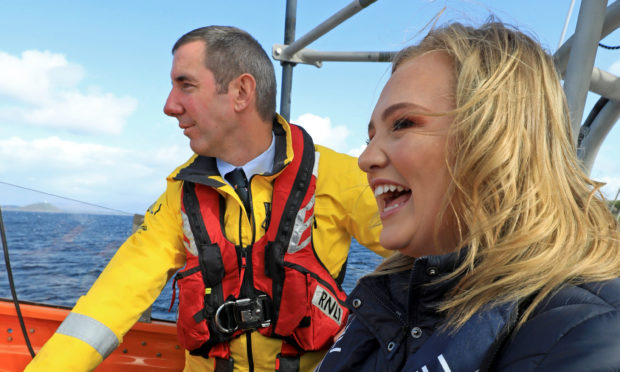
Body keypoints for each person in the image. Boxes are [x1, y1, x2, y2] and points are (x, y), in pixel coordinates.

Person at [25, 26, 389, 371]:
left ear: (242, 92)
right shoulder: (181, 194)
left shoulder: (341, 178)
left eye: (186, 85)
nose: (169, 105)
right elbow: (114, 297)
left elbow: (433, 254)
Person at [316, 20, 620, 371]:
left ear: (497, 140)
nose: (365, 159)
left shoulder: (588, 339)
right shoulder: (387, 304)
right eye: (370, 139)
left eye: (402, 124)